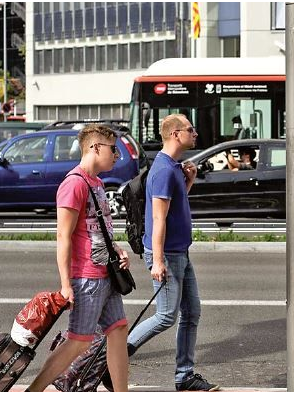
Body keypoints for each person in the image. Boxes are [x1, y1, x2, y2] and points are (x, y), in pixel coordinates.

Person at [27, 124, 131, 391]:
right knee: (79, 341)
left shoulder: (96, 182)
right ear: (95, 147)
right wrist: (65, 284)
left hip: (106, 274)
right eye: (113, 149)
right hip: (87, 277)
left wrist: (117, 249)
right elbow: (63, 236)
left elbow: (99, 229)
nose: (117, 155)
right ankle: (33, 390)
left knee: (118, 330)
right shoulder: (74, 184)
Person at [126, 114, 219, 391]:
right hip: (167, 254)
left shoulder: (174, 167)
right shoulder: (164, 170)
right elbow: (158, 219)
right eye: (191, 129)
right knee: (167, 315)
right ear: (176, 134)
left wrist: (188, 181)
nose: (196, 134)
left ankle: (185, 376)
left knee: (192, 313)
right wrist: (157, 260)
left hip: (181, 252)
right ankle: (116, 354)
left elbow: (175, 207)